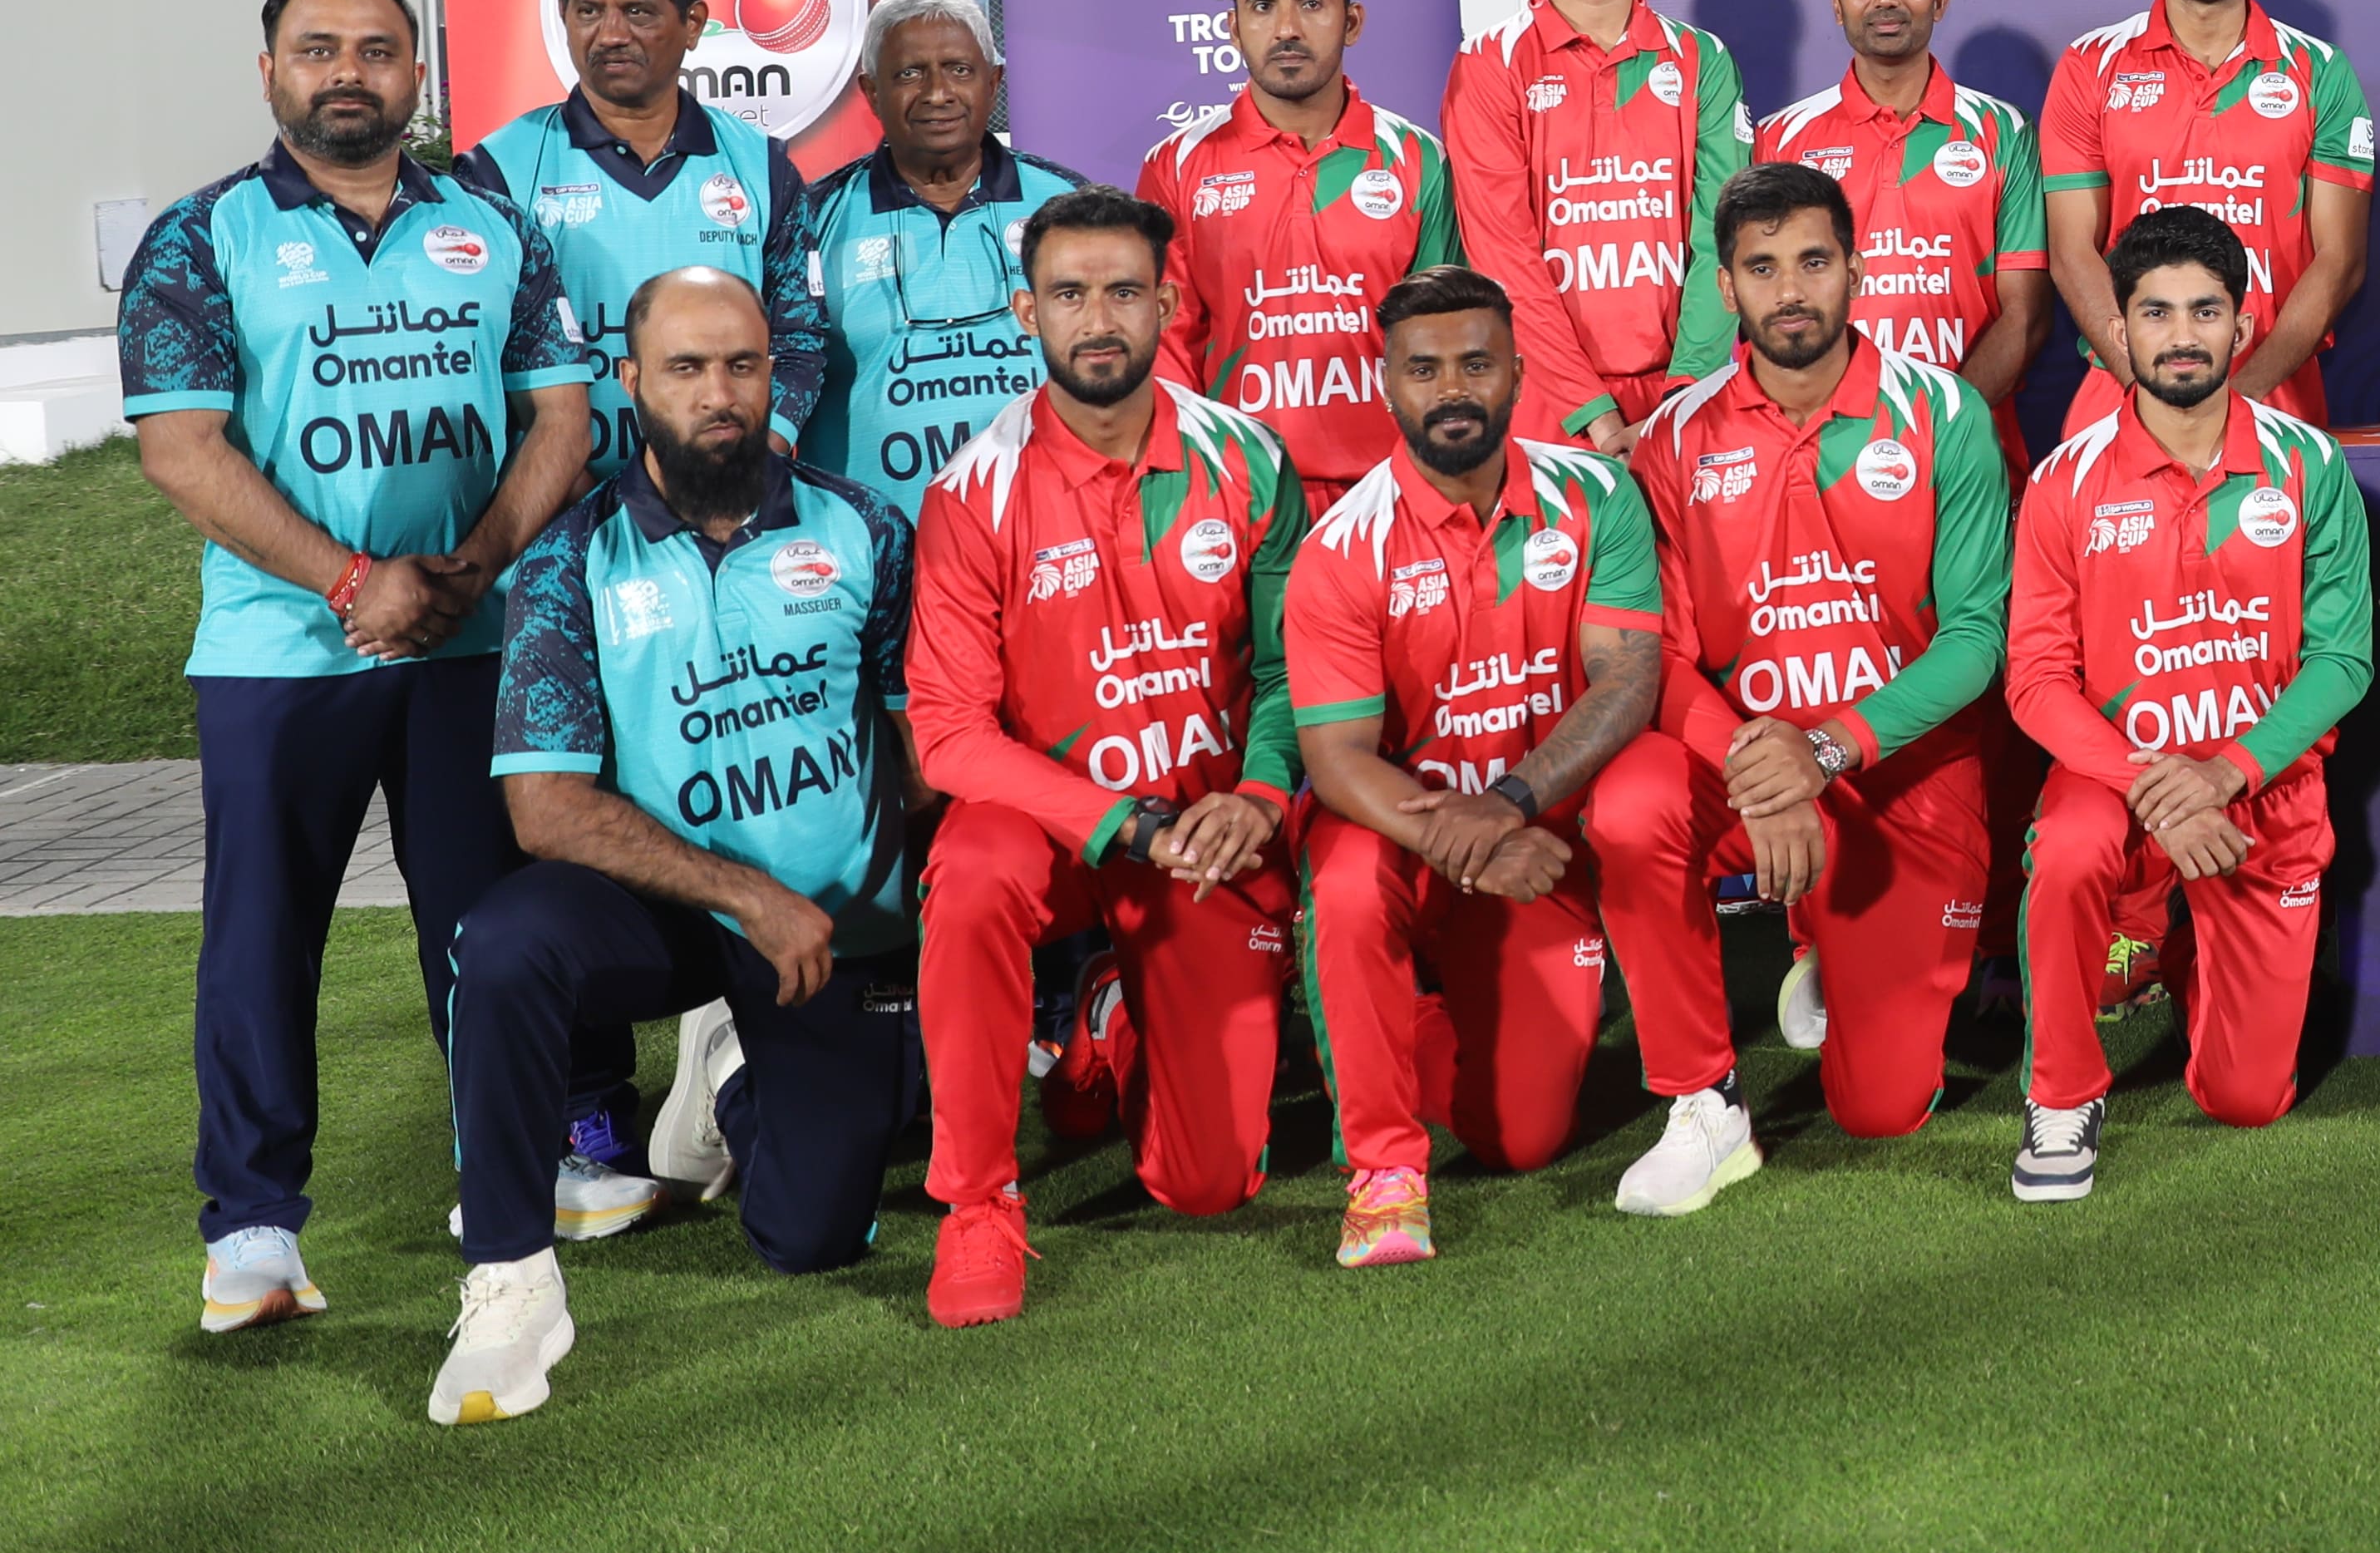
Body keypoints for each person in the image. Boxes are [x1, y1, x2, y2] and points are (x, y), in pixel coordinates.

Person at [123, 0, 605, 1333]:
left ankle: (514, 1185)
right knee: (265, 941)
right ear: (266, 73)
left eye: (379, 50)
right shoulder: (199, 236)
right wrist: (351, 581)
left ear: (417, 75)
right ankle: (255, 1231)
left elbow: (558, 424)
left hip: (470, 641)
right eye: (318, 48)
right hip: (283, 656)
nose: (350, 71)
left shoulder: (490, 223)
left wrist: (466, 573)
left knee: (490, 934)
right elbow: (179, 449)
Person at [428, 268, 925, 1422]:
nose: (720, 396)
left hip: (826, 916)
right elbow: (544, 810)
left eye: (742, 367)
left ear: (771, 376)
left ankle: (734, 1075)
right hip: (672, 911)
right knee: (502, 944)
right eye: (688, 370)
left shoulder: (865, 528)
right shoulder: (569, 561)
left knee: (815, 1237)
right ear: (633, 383)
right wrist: (743, 893)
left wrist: (896, 916)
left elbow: (920, 751)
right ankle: (509, 1279)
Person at [904, 187, 1311, 1329]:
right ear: (1026, 311)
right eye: (1071, 294)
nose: (1099, 319)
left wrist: (1264, 790)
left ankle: (1106, 1019)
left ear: (1168, 304)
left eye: (1124, 292)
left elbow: (1291, 674)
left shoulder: (1248, 458)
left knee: (1208, 1183)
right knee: (971, 872)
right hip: (1062, 833)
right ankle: (978, 1203)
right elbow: (947, 735)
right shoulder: (973, 491)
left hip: (1207, 829)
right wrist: (1119, 823)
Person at [1282, 270, 1715, 1262]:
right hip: (1411, 834)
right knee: (1343, 874)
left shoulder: (1598, 494)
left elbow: (1628, 682)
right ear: (1384, 381)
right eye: (1424, 369)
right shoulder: (1341, 550)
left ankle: (1416, 1021)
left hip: (1537, 838)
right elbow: (1338, 759)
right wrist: (1468, 836)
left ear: (1519, 370)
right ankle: (1385, 1169)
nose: (1453, 390)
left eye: (1476, 363)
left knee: (1520, 1139)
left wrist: (1514, 803)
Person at [1630, 163, 2014, 1143]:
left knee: (1879, 1112)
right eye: (1761, 268)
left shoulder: (1945, 414)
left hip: (1902, 775)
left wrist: (1830, 749)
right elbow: (1659, 660)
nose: (1790, 292)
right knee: (1632, 806)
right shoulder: (1671, 438)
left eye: (1812, 262)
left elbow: (1977, 638)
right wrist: (1765, 774)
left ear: (1855, 268)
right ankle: (1701, 1099)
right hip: (1746, 764)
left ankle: (1837, 948)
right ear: (1724, 288)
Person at [2002, 207, 2374, 1203]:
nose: (2180, 335)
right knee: (2070, 847)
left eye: (2205, 311)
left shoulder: (2310, 465)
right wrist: (2159, 789)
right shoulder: (2063, 481)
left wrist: (2226, 772)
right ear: (2114, 332)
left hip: (2261, 792)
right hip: (2116, 787)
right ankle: (2062, 1094)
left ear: (2244, 325)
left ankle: (2170, 943)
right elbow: (2034, 679)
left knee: (2247, 1098)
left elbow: (2343, 661)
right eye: (2155, 313)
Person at [461, 0, 823, 485]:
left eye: (638, 12)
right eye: (589, 11)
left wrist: (744, 467)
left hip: (727, 504)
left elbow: (800, 340)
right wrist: (572, 496)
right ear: (563, 15)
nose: (611, 35)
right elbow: (474, 362)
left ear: (695, 22)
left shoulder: (764, 169)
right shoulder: (495, 171)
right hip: (560, 515)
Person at [2038, 0, 2373, 429]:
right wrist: (2147, 384)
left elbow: (2340, 260)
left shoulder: (2320, 70)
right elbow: (2071, 253)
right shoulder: (2089, 65)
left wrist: (2240, 396)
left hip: (2274, 393)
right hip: (2122, 394)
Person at [1443, 0, 1749, 455]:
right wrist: (1594, 414)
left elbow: (1724, 240)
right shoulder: (1490, 64)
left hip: (1688, 402)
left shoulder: (1701, 61)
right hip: (1545, 408)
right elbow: (1505, 262)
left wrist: (1681, 398)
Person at [1141, 0, 1458, 496]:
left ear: (1352, 21)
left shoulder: (1417, 159)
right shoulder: (1177, 165)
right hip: (1239, 497)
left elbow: (1445, 340)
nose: (1286, 28)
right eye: (1262, 7)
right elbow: (1167, 345)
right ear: (1233, 28)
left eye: (1311, 3)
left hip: (1394, 494)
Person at [1752, 0, 2052, 419]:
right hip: (1828, 445)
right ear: (1837, 3)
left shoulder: (2004, 131)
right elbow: (1771, 304)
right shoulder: (1782, 139)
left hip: (1973, 447)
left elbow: (2027, 313)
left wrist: (1946, 430)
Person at [794, 0, 1099, 502]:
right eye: (910, 73)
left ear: (994, 81)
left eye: (959, 70)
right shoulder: (811, 221)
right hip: (878, 549)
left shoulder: (1072, 205)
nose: (938, 93)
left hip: (1051, 533)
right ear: (870, 91)